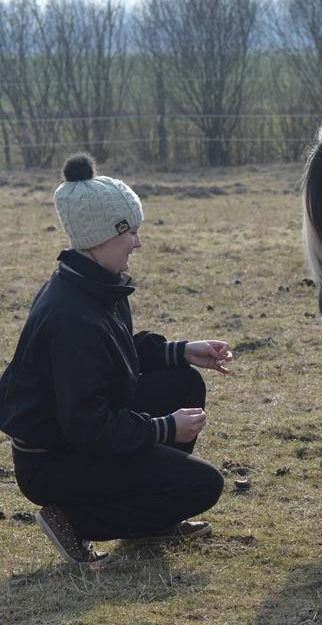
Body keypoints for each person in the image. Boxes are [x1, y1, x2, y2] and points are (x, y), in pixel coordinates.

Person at [0, 154, 229, 566]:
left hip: (76, 438)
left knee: (183, 381)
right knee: (203, 485)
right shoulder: (71, 315)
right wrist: (164, 428)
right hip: (55, 463)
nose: (138, 243)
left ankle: (153, 518)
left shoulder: (93, 283)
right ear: (101, 236)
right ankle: (72, 521)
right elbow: (88, 423)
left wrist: (180, 350)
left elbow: (114, 352)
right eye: (131, 233)